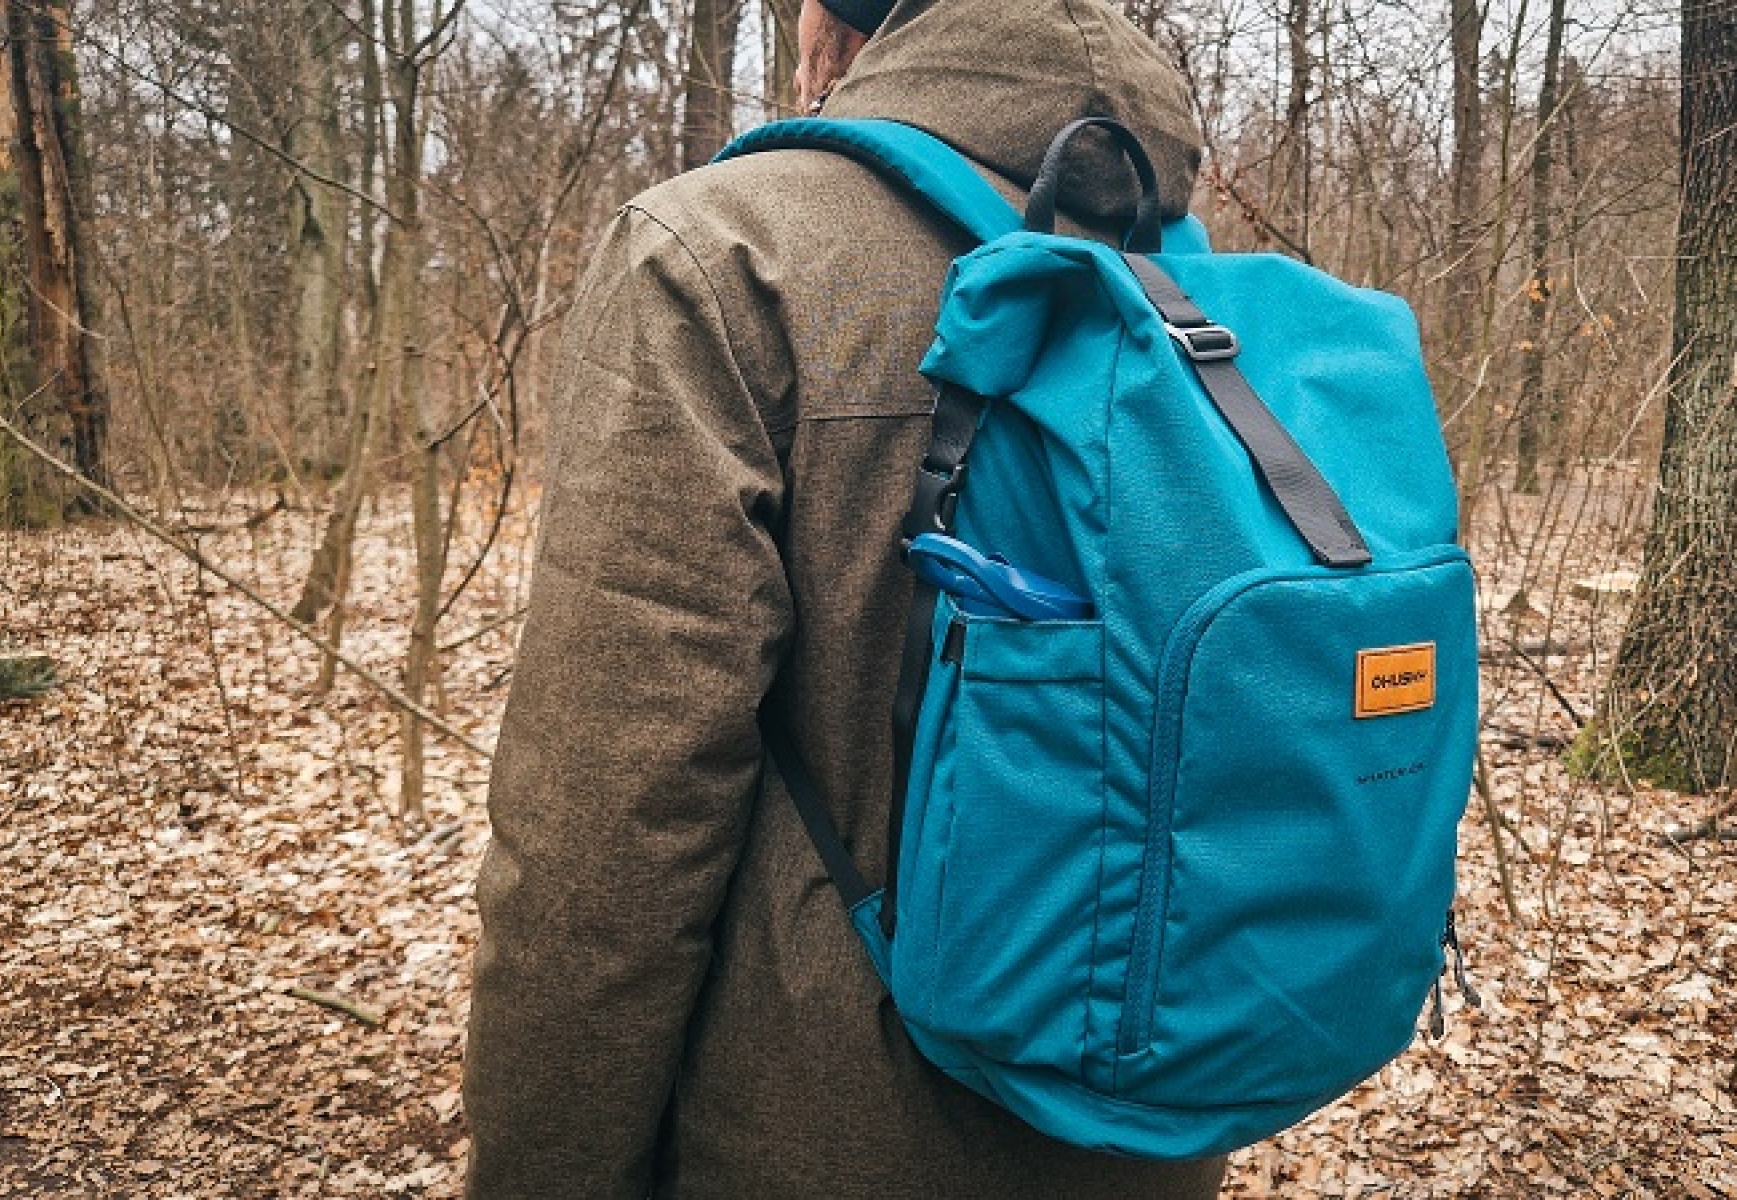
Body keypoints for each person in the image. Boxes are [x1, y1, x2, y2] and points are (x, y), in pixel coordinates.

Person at [461, 1, 1228, 1195]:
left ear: (830, 28)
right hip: (1156, 1119)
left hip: (805, 1137)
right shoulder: (1193, 282)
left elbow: (607, 829)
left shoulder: (723, 251)